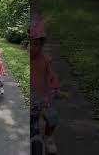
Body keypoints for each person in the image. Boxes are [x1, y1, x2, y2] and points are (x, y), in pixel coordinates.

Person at [30, 10, 61, 154]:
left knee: (53, 116)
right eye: (30, 44)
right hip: (29, 98)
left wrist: (55, 88)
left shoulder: (44, 60)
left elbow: (52, 75)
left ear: (41, 45)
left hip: (43, 97)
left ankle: (48, 137)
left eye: (36, 44)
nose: (33, 48)